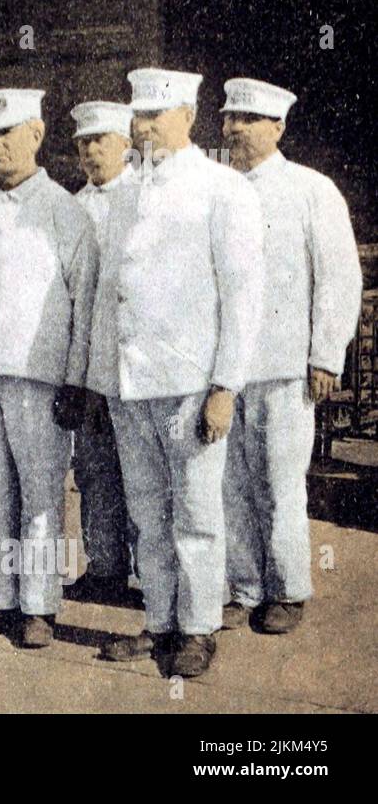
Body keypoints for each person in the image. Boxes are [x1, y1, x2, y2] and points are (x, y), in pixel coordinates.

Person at [93, 68, 264, 678]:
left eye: (154, 116)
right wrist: (101, 377)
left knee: (195, 511)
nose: (142, 128)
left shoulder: (222, 189)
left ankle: (197, 629)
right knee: (146, 510)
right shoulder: (126, 193)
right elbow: (109, 293)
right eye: (136, 117)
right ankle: (159, 621)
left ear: (187, 118)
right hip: (131, 382)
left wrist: (225, 386)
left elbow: (242, 298)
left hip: (190, 384)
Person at [0, 88, 98, 649]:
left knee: (39, 492)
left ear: (35, 135)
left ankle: (39, 607)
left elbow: (82, 303)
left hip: (39, 378)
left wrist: (76, 379)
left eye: (7, 134)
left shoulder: (63, 210)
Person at [219, 77, 361, 635]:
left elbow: (337, 278)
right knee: (229, 482)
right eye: (230, 118)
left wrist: (325, 355)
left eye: (247, 120)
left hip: (284, 365)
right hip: (225, 369)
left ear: (278, 126)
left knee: (280, 480)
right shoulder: (219, 189)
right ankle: (243, 585)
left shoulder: (311, 189)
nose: (234, 129)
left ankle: (287, 589)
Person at [66, 101, 137, 603]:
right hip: (90, 367)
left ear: (127, 145)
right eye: (83, 143)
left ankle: (151, 576)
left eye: (101, 141)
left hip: (137, 365)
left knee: (143, 476)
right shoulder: (73, 206)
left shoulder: (142, 198)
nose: (91, 152)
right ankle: (105, 566)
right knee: (93, 471)